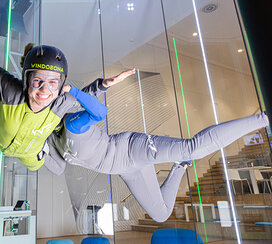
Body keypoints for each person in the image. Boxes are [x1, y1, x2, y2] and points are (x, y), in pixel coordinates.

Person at [43, 68, 270, 222]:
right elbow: (58, 167)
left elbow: (100, 112)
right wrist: (38, 151)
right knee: (160, 214)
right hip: (126, 170)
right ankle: (180, 166)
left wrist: (71, 90)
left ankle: (264, 119)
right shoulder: (53, 143)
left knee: (192, 147)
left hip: (130, 148)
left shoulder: (71, 124)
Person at [0, 0, 106, 171]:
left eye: (53, 83)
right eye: (37, 81)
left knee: (42, 167)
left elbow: (83, 98)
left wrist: (101, 85)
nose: (44, 90)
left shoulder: (61, 101)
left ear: (61, 85)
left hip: (30, 153)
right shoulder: (11, 89)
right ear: (26, 79)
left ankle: (46, 144)